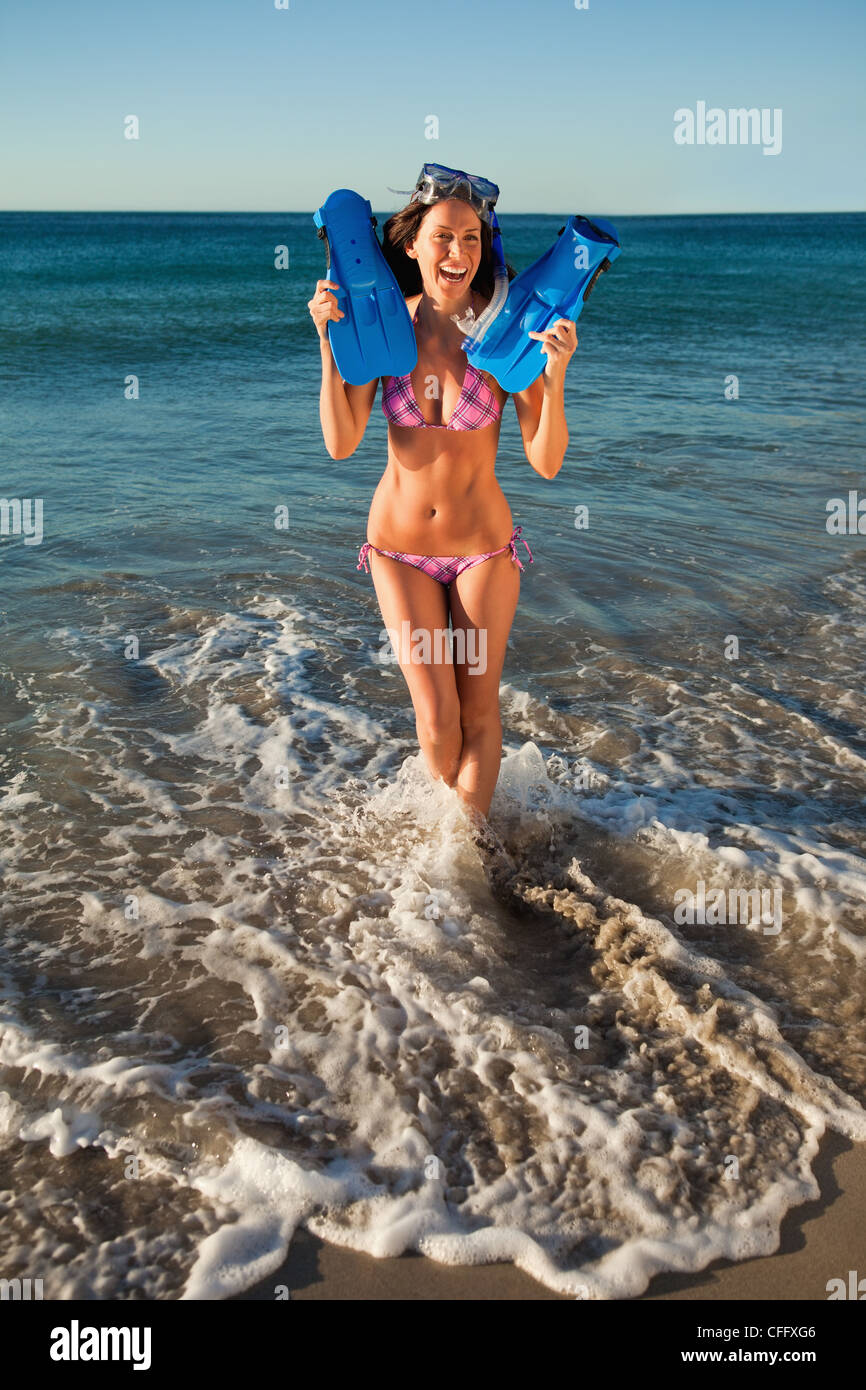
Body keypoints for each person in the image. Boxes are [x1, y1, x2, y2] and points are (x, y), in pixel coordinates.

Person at [308, 164, 577, 831]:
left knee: (479, 711)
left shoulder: (505, 335)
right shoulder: (380, 330)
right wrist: (325, 342)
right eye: (444, 238)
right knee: (437, 720)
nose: (459, 253)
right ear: (411, 245)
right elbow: (341, 443)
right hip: (400, 550)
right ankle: (455, 842)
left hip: (484, 551)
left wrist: (557, 374)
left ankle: (467, 861)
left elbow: (545, 461)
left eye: (472, 240)